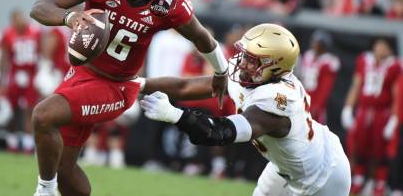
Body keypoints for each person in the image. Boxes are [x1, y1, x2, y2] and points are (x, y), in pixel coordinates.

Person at [29, 0, 228, 196]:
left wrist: (221, 70)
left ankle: (44, 192)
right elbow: (40, 7)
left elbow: (202, 37)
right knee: (64, 168)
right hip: (82, 75)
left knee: (43, 116)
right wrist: (70, 17)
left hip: (117, 86)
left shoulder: (168, 1)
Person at [140, 23, 351, 196]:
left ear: (275, 67)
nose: (242, 64)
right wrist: (136, 84)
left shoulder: (278, 100)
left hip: (323, 176)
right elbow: (184, 87)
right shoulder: (251, 74)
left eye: (253, 60)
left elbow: (218, 132)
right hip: (284, 166)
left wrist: (173, 114)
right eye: (245, 55)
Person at [341, 38, 401, 196]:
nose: (380, 48)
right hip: (363, 110)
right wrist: (348, 107)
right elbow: (356, 85)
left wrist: (394, 119)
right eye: (378, 44)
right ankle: (358, 179)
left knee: (380, 149)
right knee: (357, 146)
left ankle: (379, 182)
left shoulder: (395, 66)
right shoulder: (364, 60)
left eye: (384, 45)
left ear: (390, 49)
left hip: (382, 113)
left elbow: (397, 94)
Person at [0, 9, 41, 153]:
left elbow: (42, 51)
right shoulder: (8, 34)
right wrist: (1, 80)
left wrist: (43, 72)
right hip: (14, 74)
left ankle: (28, 144)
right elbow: (4, 58)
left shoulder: (35, 32)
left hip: (30, 75)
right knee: (11, 109)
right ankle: (12, 141)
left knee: (30, 109)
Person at [299, 30, 340, 124]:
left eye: (317, 42)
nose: (314, 44)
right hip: (302, 97)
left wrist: (317, 105)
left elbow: (325, 88)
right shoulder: (308, 55)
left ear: (324, 45)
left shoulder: (328, 62)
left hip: (315, 100)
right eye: (314, 41)